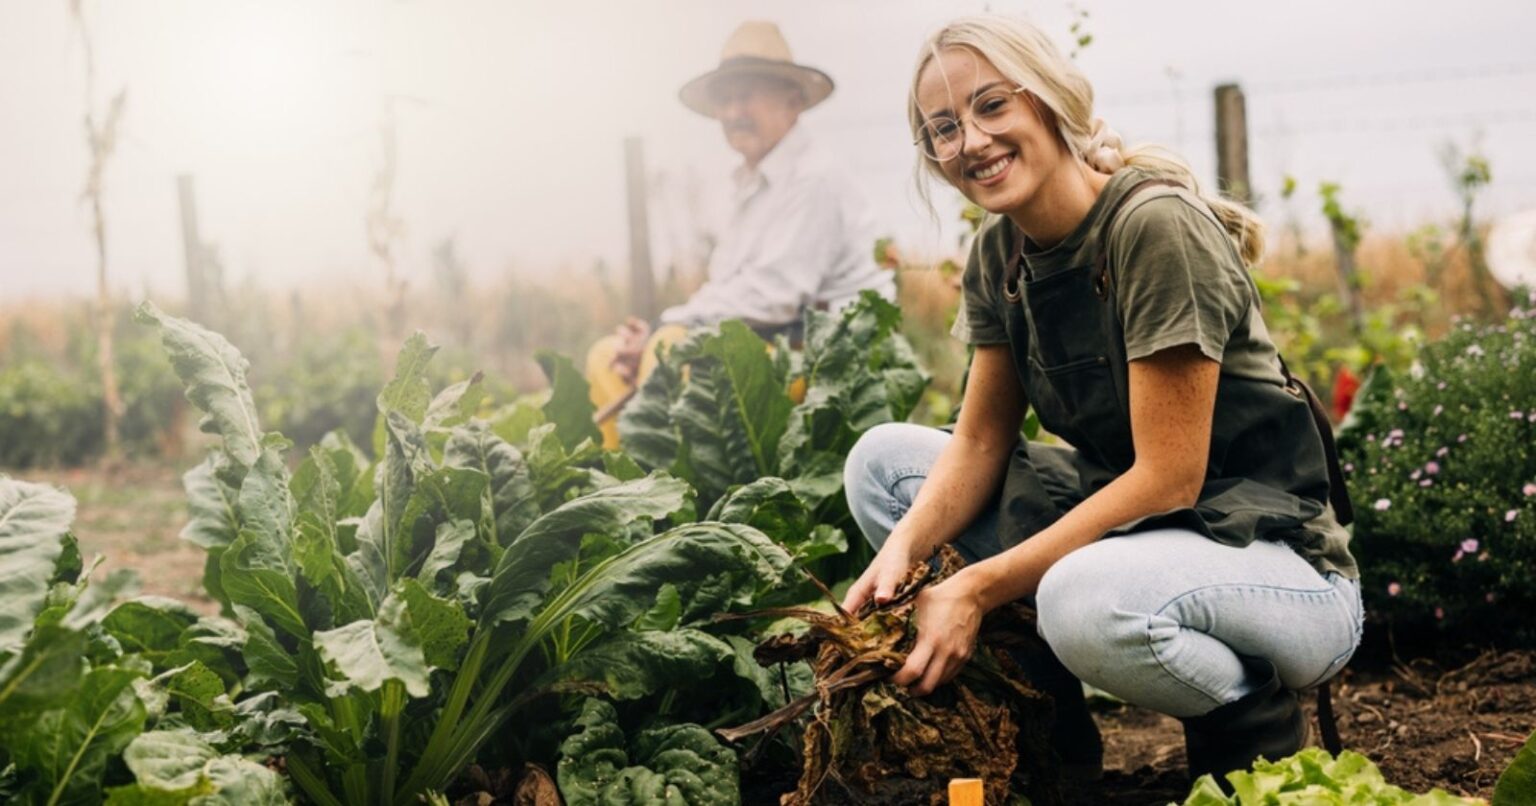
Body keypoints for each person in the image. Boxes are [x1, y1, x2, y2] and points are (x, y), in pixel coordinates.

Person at [840, 14, 1363, 786]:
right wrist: (901, 557)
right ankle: (1054, 746)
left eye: (991, 106)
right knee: (882, 465)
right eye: (942, 128)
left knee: (1080, 602)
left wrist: (974, 587)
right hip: (1149, 537)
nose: (972, 142)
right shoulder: (1001, 251)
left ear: (1048, 100)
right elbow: (981, 442)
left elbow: (1168, 479)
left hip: (1281, 566)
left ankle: (1255, 739)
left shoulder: (1151, 228)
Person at [586, 21, 896, 448]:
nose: (733, 113)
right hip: (768, 344)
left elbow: (772, 296)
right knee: (607, 357)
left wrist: (664, 326)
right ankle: (630, 492)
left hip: (827, 364)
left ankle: (680, 491)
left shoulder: (815, 177)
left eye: (746, 96)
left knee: (672, 351)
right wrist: (656, 333)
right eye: (725, 100)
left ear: (793, 102)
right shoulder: (747, 184)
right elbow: (728, 290)